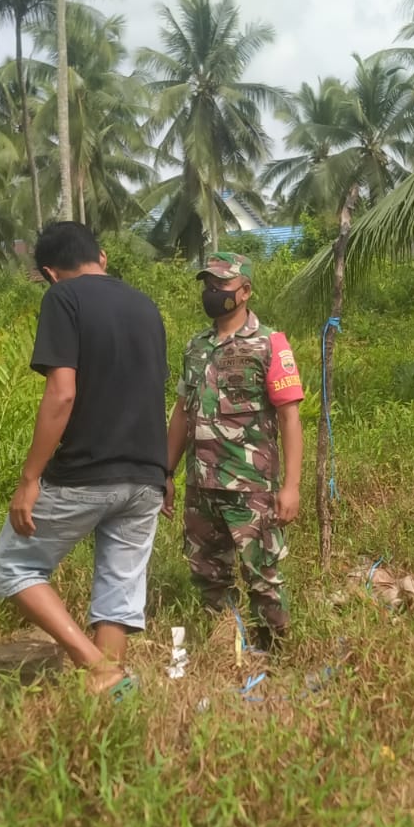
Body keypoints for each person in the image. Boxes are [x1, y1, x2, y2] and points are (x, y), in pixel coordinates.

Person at [0, 221, 169, 700]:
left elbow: (62, 394)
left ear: (49, 272)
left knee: (11, 567)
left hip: (87, 471)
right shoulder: (146, 306)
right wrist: (164, 471)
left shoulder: (63, 299)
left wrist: (29, 480)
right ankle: (111, 698)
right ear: (102, 257)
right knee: (118, 589)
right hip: (146, 474)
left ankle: (96, 667)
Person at [164, 251, 305, 658]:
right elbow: (181, 412)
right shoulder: (196, 346)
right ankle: (226, 650)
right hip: (201, 485)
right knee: (208, 575)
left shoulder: (270, 344)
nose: (212, 293)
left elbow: (289, 418)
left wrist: (291, 486)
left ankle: (277, 657)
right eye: (207, 285)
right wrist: (166, 472)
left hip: (250, 486)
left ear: (245, 291)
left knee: (263, 577)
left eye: (220, 285)